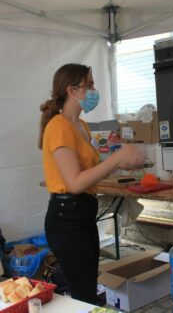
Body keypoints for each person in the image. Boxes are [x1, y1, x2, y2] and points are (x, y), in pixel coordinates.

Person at [39, 63, 143, 304]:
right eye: (90, 85)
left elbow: (89, 172)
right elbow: (75, 183)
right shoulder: (59, 126)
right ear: (72, 90)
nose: (95, 90)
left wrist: (120, 164)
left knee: (86, 287)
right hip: (67, 219)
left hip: (83, 214)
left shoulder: (81, 126)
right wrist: (116, 158)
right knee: (83, 293)